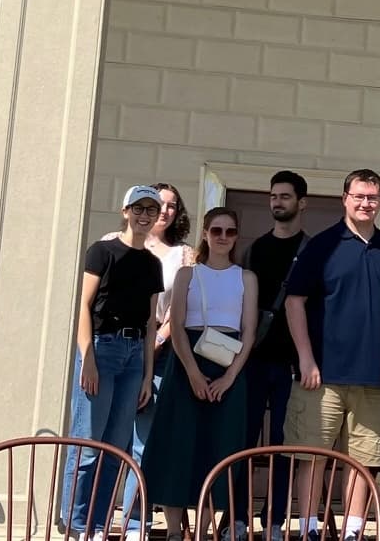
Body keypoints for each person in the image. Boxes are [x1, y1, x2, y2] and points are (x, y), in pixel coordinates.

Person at [284, 169, 380, 541]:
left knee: (365, 461)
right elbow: (294, 302)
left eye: (372, 197)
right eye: (359, 196)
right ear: (345, 198)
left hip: (375, 377)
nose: (366, 203)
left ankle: (352, 530)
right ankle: (310, 528)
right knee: (311, 456)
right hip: (322, 376)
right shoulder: (322, 246)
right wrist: (306, 359)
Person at [141, 208, 258, 541]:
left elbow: (248, 332)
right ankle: (176, 531)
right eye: (216, 230)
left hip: (228, 362)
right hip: (186, 362)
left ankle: (205, 532)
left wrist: (230, 377)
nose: (223, 237)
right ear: (205, 233)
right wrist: (192, 373)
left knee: (220, 448)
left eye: (230, 232)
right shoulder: (187, 275)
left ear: (236, 236)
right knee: (178, 446)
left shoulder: (246, 278)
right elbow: (175, 326)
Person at [61, 186, 163, 538]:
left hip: (134, 354)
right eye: (138, 208)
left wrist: (148, 375)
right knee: (89, 442)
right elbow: (83, 306)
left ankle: (98, 524)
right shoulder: (102, 251)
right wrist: (87, 357)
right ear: (125, 211)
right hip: (102, 349)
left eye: (151, 209)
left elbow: (151, 323)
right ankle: (75, 524)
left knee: (117, 447)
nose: (144, 215)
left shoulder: (152, 264)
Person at [112, 183, 195, 541]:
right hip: (119, 347)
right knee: (111, 437)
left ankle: (135, 521)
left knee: (144, 440)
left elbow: (182, 307)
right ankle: (95, 518)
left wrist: (158, 342)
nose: (163, 211)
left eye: (171, 206)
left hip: (160, 356)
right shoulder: (118, 242)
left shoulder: (184, 255)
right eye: (156, 204)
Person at [236, 170, 309, 541]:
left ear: (301, 202)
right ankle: (235, 517)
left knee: (285, 445)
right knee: (244, 440)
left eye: (285, 196)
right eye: (273, 196)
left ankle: (276, 521)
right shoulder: (255, 250)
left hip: (293, 365)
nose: (277, 202)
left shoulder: (313, 250)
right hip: (253, 360)